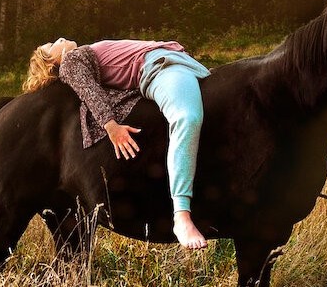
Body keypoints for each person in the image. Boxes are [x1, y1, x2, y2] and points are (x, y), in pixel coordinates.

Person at [23, 38, 210, 249]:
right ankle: (182, 215)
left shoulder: (83, 54)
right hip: (161, 68)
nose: (59, 39)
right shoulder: (70, 61)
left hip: (183, 63)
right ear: (51, 62)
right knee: (186, 118)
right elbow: (90, 92)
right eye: (50, 45)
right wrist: (111, 127)